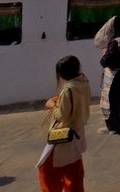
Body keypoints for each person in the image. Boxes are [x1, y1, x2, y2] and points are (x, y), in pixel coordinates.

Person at [39, 55, 90, 192]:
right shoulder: (84, 82)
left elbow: (62, 116)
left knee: (46, 169)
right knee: (73, 167)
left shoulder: (68, 90)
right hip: (79, 131)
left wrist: (52, 105)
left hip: (64, 133)